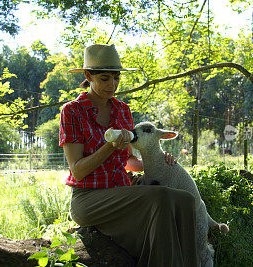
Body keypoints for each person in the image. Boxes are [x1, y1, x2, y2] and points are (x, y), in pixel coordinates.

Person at [59, 44, 198, 267]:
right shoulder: (72, 111)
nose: (112, 85)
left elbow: (129, 161)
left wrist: (160, 162)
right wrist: (110, 147)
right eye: (104, 79)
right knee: (160, 197)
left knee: (185, 200)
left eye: (116, 78)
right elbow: (77, 170)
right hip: (89, 198)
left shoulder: (122, 110)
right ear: (88, 76)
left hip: (123, 191)